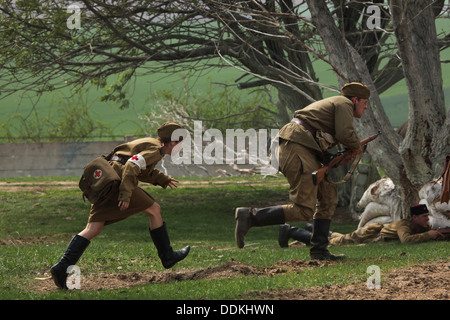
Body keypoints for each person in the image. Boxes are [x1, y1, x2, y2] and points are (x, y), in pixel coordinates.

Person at [235, 82, 370, 260]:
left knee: (329, 198)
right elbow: (346, 134)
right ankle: (250, 216)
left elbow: (321, 140)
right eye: (364, 102)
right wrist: (356, 147)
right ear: (355, 100)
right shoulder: (344, 104)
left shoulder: (335, 107)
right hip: (295, 146)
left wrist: (336, 159)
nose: (366, 107)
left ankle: (319, 251)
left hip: (300, 147)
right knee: (304, 209)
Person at [51, 122, 190, 289]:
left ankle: (61, 268)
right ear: (173, 142)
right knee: (154, 210)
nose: (181, 148)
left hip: (108, 178)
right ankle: (167, 256)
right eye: (181, 144)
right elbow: (131, 165)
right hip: (118, 180)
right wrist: (125, 194)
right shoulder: (156, 149)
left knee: (93, 228)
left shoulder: (151, 143)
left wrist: (162, 179)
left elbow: (140, 168)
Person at [278, 204, 445, 247]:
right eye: (424, 216)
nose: (427, 219)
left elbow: (428, 233)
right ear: (414, 217)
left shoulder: (422, 226)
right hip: (372, 234)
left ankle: (312, 228)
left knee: (339, 238)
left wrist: (437, 234)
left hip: (375, 235)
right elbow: (406, 240)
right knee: (335, 243)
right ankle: (292, 230)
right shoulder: (404, 224)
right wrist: (428, 236)